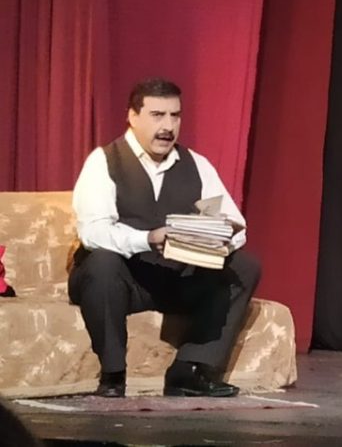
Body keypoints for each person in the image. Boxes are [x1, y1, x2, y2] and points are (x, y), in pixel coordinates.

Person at [68, 77, 261, 398]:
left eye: (175, 116)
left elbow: (235, 223)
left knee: (244, 266)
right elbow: (93, 232)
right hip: (124, 280)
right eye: (157, 115)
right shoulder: (104, 161)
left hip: (173, 278)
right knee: (102, 262)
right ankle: (113, 375)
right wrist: (147, 238)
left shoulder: (197, 164)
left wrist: (218, 239)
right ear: (133, 116)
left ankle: (190, 369)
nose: (168, 127)